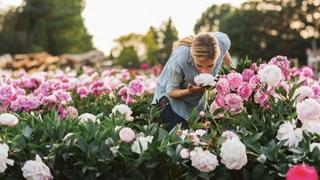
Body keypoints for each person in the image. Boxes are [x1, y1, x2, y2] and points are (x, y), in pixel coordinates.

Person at [152, 31, 234, 131]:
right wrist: (190, 91)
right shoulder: (180, 59)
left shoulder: (221, 42)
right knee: (179, 138)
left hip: (195, 100)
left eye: (210, 66)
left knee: (198, 133)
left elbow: (225, 52)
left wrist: (232, 71)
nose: (204, 71)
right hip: (171, 99)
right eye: (199, 65)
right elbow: (172, 91)